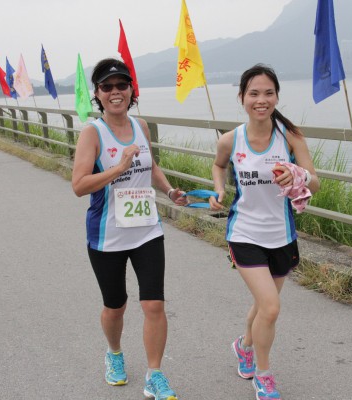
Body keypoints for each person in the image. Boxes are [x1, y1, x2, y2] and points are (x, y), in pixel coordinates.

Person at [71, 58, 186, 400]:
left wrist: (170, 191)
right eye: (107, 87)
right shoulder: (93, 133)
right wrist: (119, 167)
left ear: (131, 90)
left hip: (147, 230)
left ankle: (155, 374)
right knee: (115, 306)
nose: (115, 92)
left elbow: (152, 166)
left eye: (121, 85)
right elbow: (79, 185)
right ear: (98, 94)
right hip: (107, 234)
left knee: (154, 305)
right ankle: (114, 353)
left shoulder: (141, 126)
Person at [209, 64, 320, 400]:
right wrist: (219, 189)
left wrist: (298, 175)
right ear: (242, 98)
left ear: (276, 97)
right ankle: (264, 374)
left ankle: (243, 346)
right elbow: (218, 165)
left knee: (263, 305)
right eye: (254, 93)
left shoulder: (291, 137)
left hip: (281, 235)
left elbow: (315, 181)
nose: (261, 100)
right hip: (244, 233)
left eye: (268, 93)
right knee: (271, 307)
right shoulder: (231, 139)